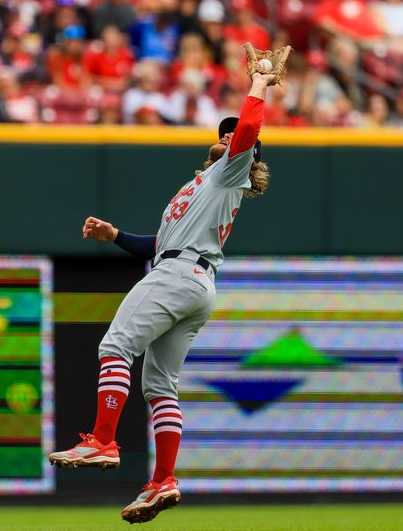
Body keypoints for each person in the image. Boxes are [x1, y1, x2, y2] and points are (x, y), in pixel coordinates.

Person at [48, 44, 284, 524]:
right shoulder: (203, 186)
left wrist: (259, 85)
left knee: (115, 345)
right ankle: (162, 481)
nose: (226, 137)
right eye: (222, 133)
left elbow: (250, 130)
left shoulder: (229, 173)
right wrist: (115, 236)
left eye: (232, 134)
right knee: (160, 387)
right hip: (191, 277)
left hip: (179, 275)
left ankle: (103, 441)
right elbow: (159, 244)